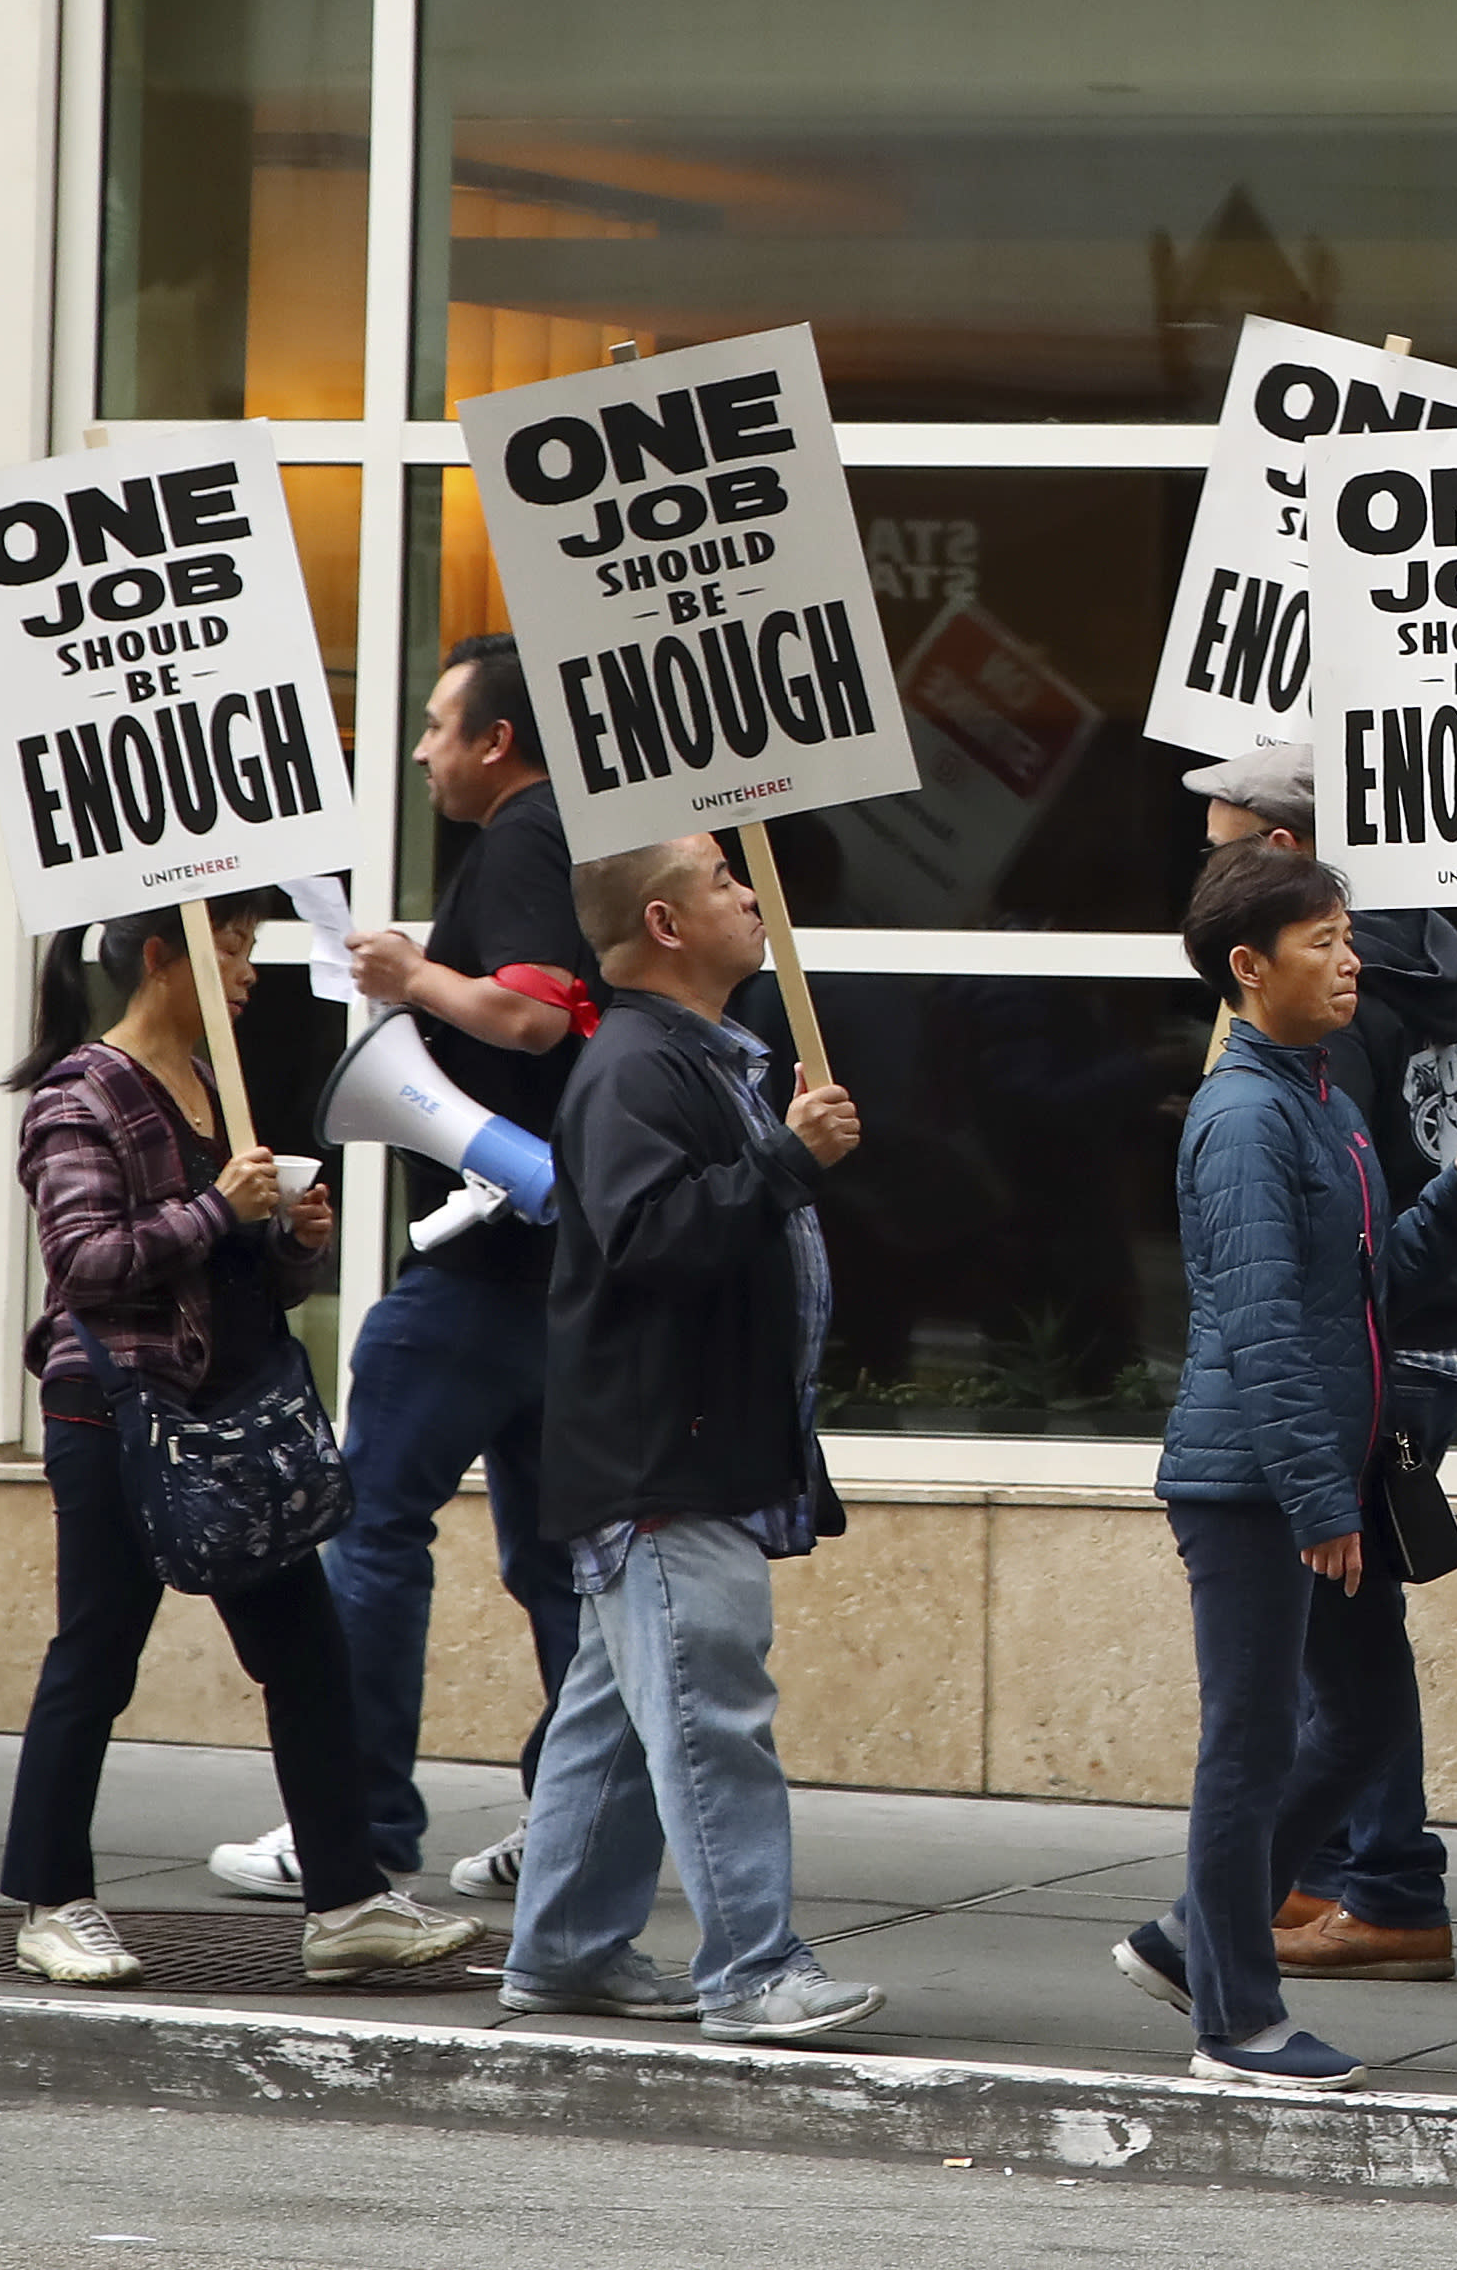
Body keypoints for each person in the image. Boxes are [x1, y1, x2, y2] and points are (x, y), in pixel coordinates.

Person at [0, 898, 472, 1985]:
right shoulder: (82, 1092)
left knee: (308, 1654)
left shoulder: (211, 1083)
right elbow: (85, 1263)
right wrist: (219, 1208)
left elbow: (225, 1267)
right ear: (163, 958)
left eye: (251, 946)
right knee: (97, 1655)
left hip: (217, 1414)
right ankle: (50, 1900)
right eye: (232, 945)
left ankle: (346, 1900)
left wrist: (290, 1243)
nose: (249, 969)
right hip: (117, 1412)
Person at [1124, 841, 1457, 2091]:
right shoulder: (1241, 1112)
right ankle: (1236, 2025)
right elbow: (1259, 1324)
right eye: (1325, 945)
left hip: (1316, 1475)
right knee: (1248, 1747)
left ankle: (1203, 1933)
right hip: (1252, 1485)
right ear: (1249, 968)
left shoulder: (1318, 1097)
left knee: (1359, 1730)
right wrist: (1313, 1495)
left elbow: (1362, 1287)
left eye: (1351, 939)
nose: (1353, 962)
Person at [213, 635, 591, 1913]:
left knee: (369, 1530)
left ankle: (357, 1824)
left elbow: (535, 1014)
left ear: (496, 741)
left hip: (482, 1268)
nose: (422, 748)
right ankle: (573, 1823)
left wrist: (412, 976)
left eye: (438, 725)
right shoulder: (564, 835)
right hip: (553, 1273)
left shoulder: (530, 835)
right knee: (554, 1559)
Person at [502, 834, 875, 2044]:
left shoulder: (685, 1058)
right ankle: (754, 1970)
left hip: (678, 1445)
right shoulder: (632, 1069)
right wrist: (785, 1159)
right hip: (665, 1457)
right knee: (712, 1715)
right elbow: (650, 1241)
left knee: (614, 1718)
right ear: (665, 924)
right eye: (724, 879)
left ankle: (564, 1950)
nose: (750, 893)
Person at [1185, 740, 1457, 1981]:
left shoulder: (1296, 1087)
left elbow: (1314, 1298)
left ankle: (1340, 1901)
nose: (1350, 959)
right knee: (1291, 1718)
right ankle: (1249, 1942)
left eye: (1226, 850)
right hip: (1302, 1425)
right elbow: (1277, 1301)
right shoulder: (1273, 1100)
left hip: (1335, 1408)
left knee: (1311, 1713)